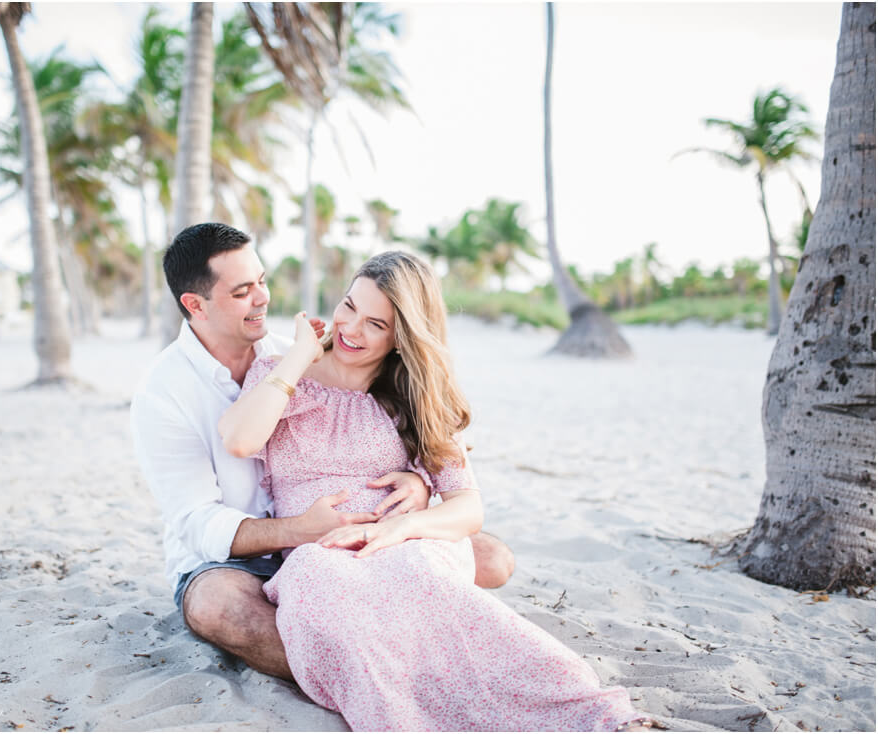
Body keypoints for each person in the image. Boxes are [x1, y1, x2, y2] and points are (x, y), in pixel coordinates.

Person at [218, 250, 659, 731]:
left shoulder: (417, 396)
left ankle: (591, 715)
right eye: (348, 307)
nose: (351, 330)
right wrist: (302, 355)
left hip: (408, 544)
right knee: (329, 597)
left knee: (441, 594)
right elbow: (241, 439)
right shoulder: (280, 376)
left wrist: (406, 525)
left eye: (376, 324)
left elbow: (468, 508)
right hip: (317, 552)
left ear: (403, 337)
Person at [130, 223, 516, 682]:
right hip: (233, 556)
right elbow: (198, 521)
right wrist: (302, 530)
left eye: (262, 281)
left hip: (357, 535)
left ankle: (411, 645)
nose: (262, 299)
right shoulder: (166, 391)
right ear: (195, 305)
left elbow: (428, 449)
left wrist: (420, 480)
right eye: (241, 292)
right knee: (221, 608)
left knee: (490, 557)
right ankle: (371, 675)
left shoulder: (294, 350)